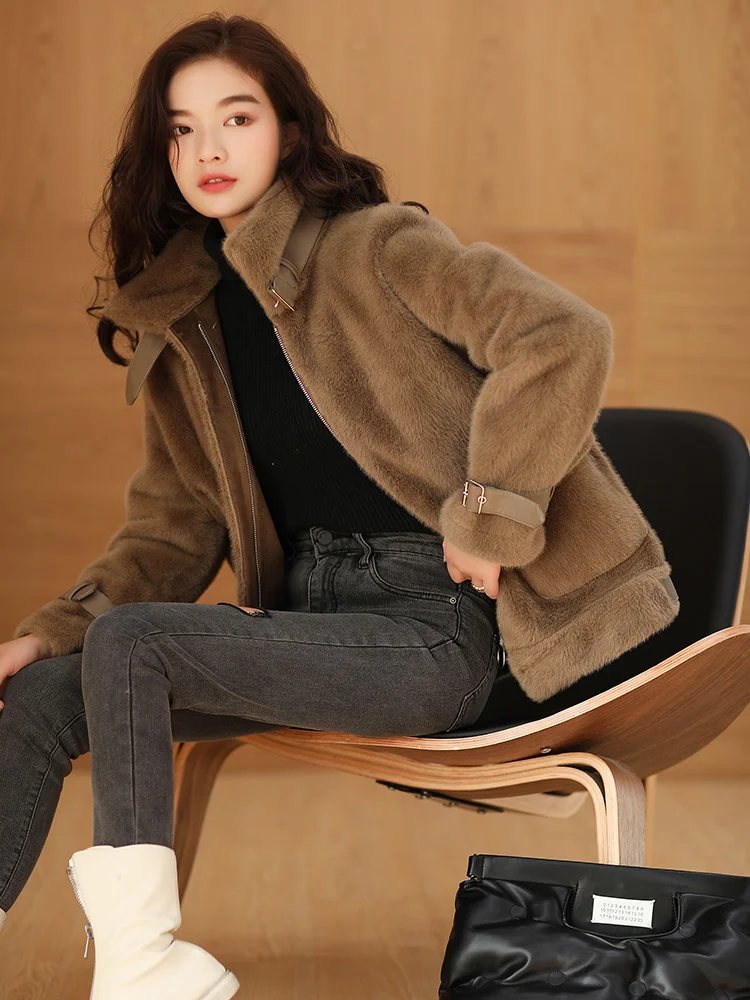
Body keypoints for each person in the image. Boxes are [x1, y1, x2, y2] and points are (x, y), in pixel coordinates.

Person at [0, 13, 678, 1000]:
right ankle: (147, 965)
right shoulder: (184, 323)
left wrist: (490, 514)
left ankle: (144, 964)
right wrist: (51, 631)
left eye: (237, 118)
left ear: (288, 130)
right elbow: (172, 527)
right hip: (303, 631)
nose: (208, 149)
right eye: (182, 130)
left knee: (135, 646)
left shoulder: (377, 247)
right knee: (42, 694)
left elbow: (561, 334)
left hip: (438, 634)